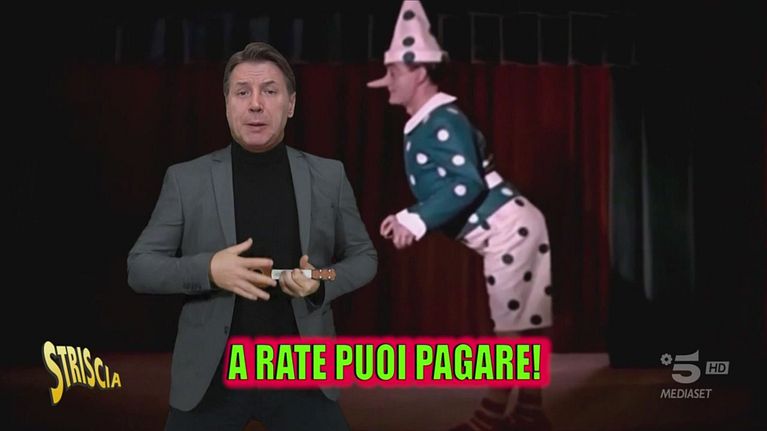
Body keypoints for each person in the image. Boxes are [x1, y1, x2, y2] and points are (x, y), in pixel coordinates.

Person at [127, 41, 377, 431]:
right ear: (227, 103)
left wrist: (320, 280)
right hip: (211, 379)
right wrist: (209, 270)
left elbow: (363, 258)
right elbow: (140, 268)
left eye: (270, 91)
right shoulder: (186, 180)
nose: (256, 104)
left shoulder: (329, 176)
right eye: (242, 92)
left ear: (291, 104)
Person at [367, 2, 553, 430]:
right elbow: (449, 186)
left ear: (418, 72)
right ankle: (529, 412)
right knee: (524, 320)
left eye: (393, 72)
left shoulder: (442, 120)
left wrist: (415, 220)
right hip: (514, 225)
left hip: (509, 228)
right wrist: (409, 215)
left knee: (511, 325)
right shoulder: (428, 121)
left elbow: (466, 183)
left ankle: (492, 416)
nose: (388, 82)